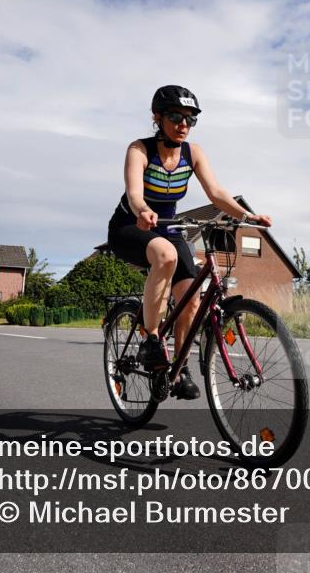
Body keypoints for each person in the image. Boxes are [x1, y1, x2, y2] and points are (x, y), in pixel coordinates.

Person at [107, 85, 272, 400]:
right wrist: (142, 211)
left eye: (190, 119)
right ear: (157, 118)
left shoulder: (192, 153)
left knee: (193, 296)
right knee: (166, 256)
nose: (183, 124)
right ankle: (152, 341)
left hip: (168, 227)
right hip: (131, 226)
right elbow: (134, 194)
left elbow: (217, 194)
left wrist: (248, 217)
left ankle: (178, 370)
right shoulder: (140, 149)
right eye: (175, 117)